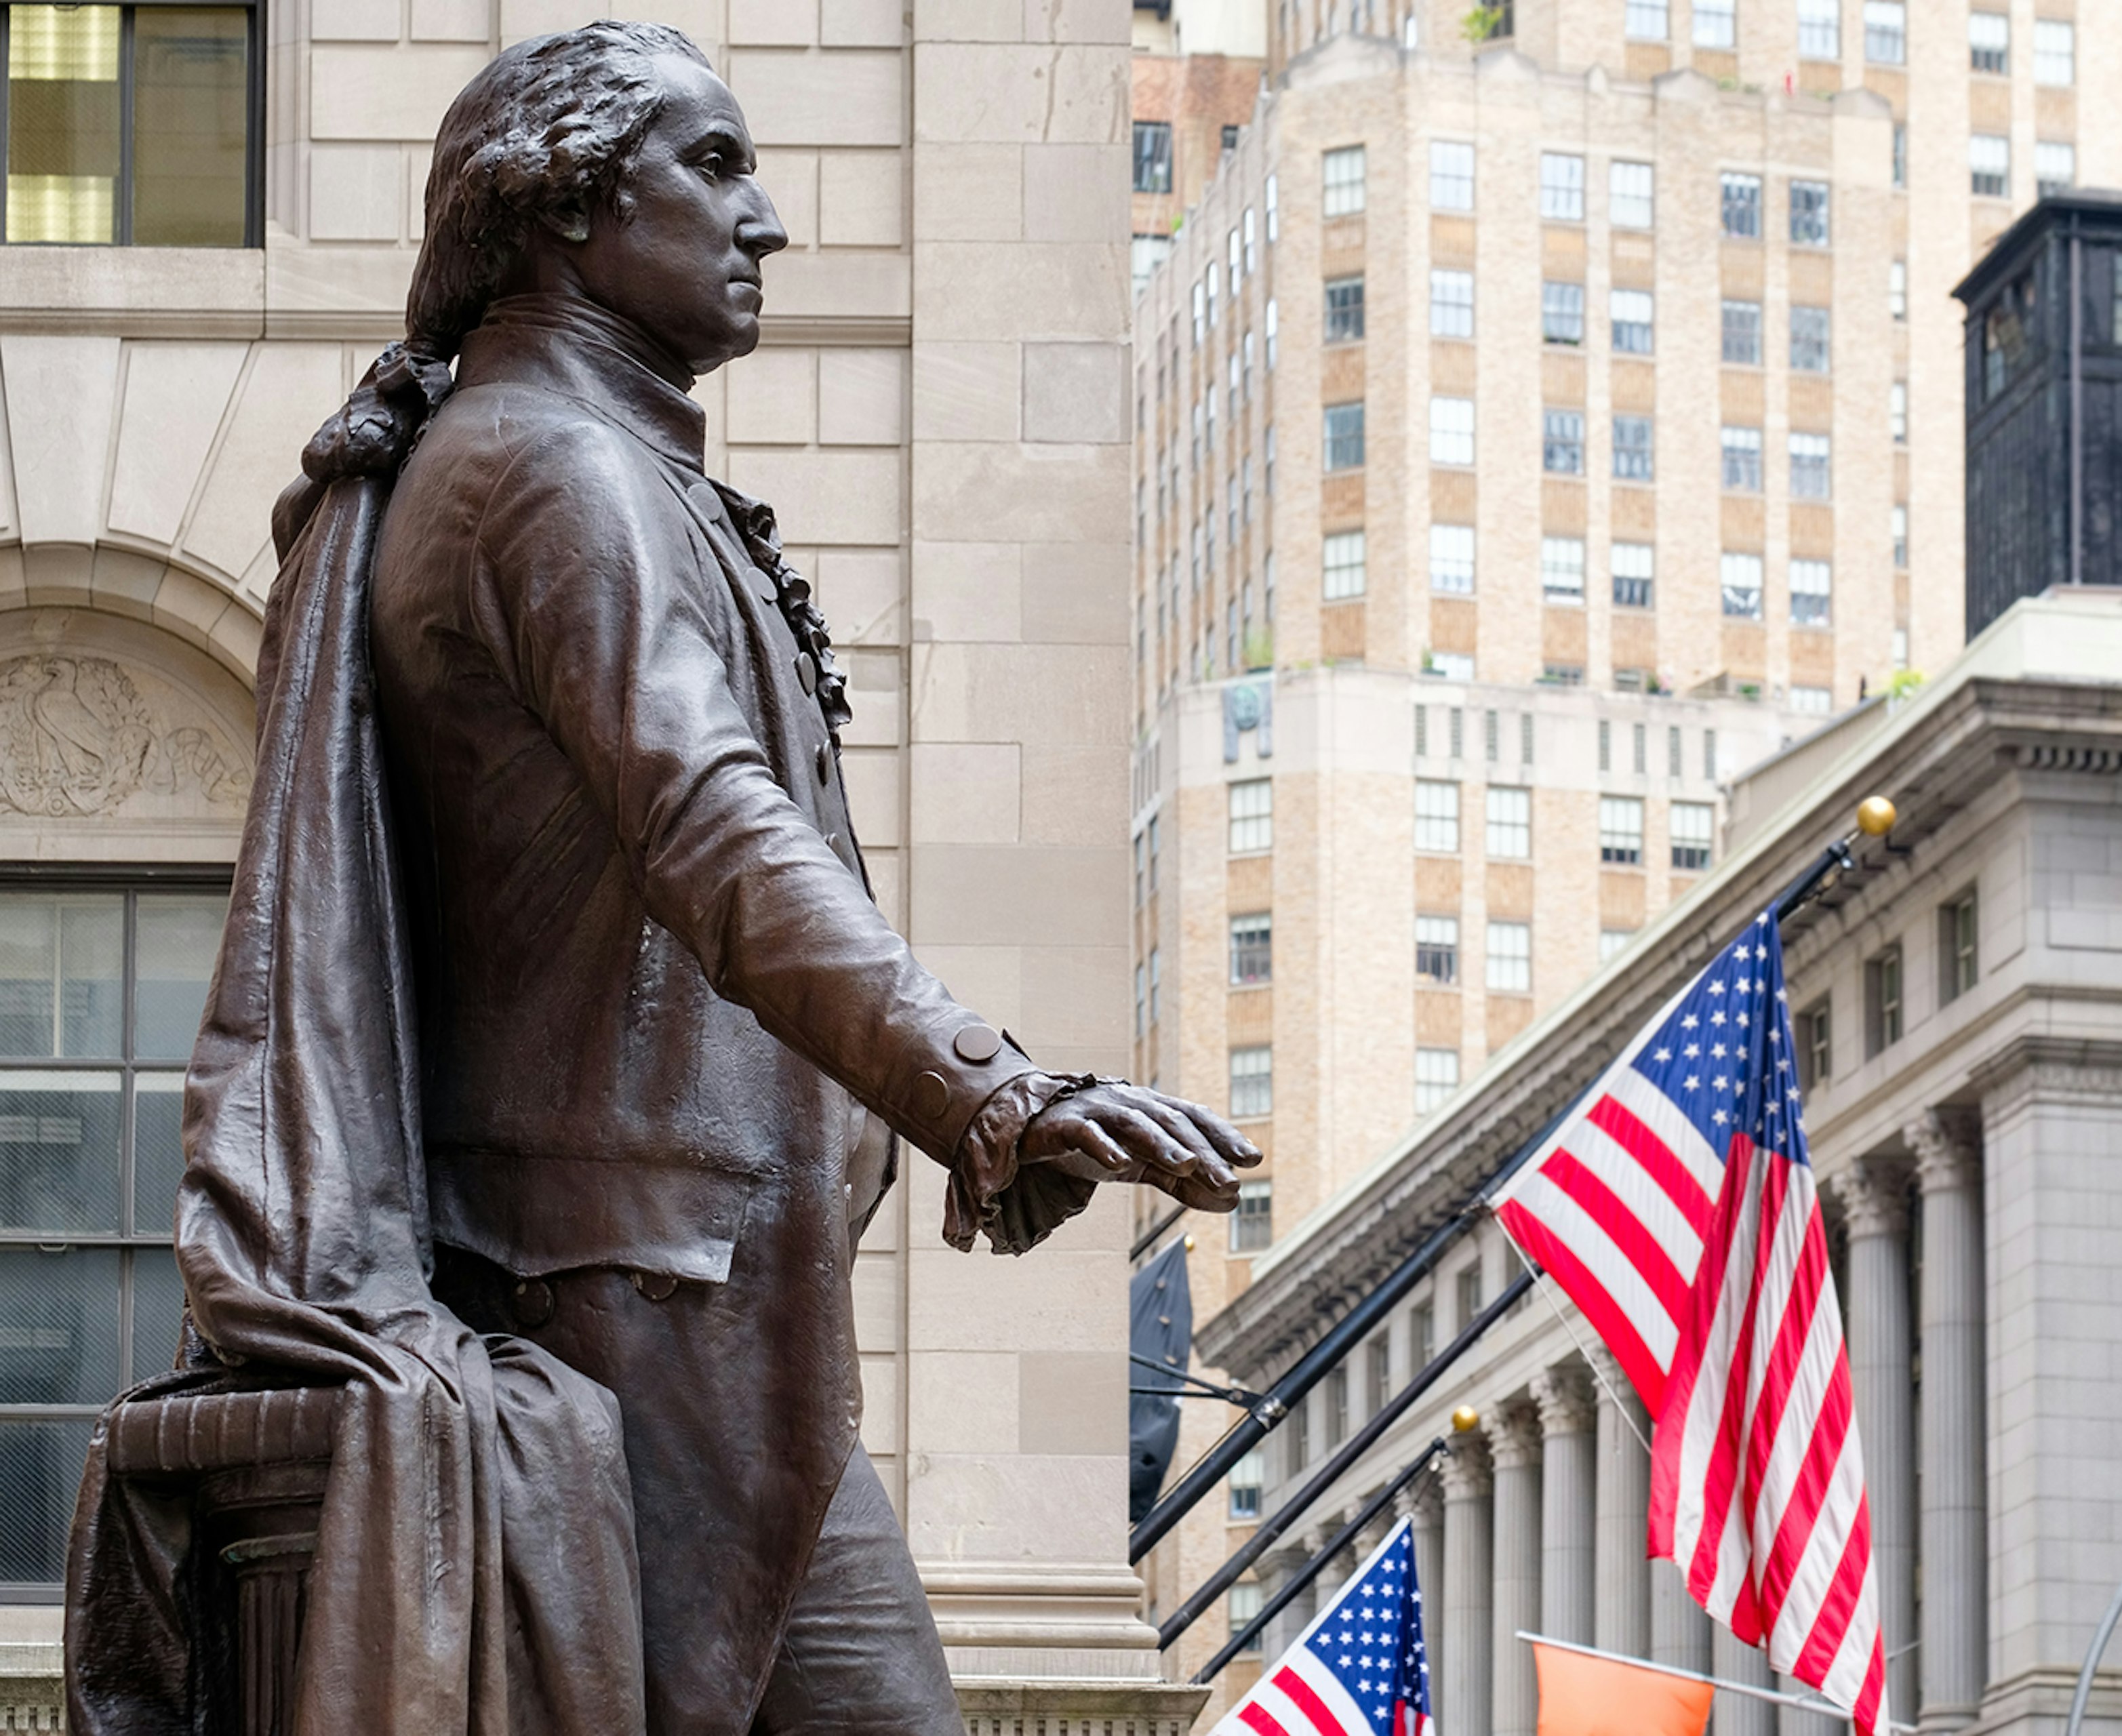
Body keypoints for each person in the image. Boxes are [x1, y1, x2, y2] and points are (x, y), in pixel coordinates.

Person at [66, 22, 1253, 1736]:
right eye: (714, 165)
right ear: (561, 208)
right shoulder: (550, 470)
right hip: (632, 1313)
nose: (762, 218)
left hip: (671, 1302)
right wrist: (989, 1091)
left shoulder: (571, 463)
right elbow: (716, 827)